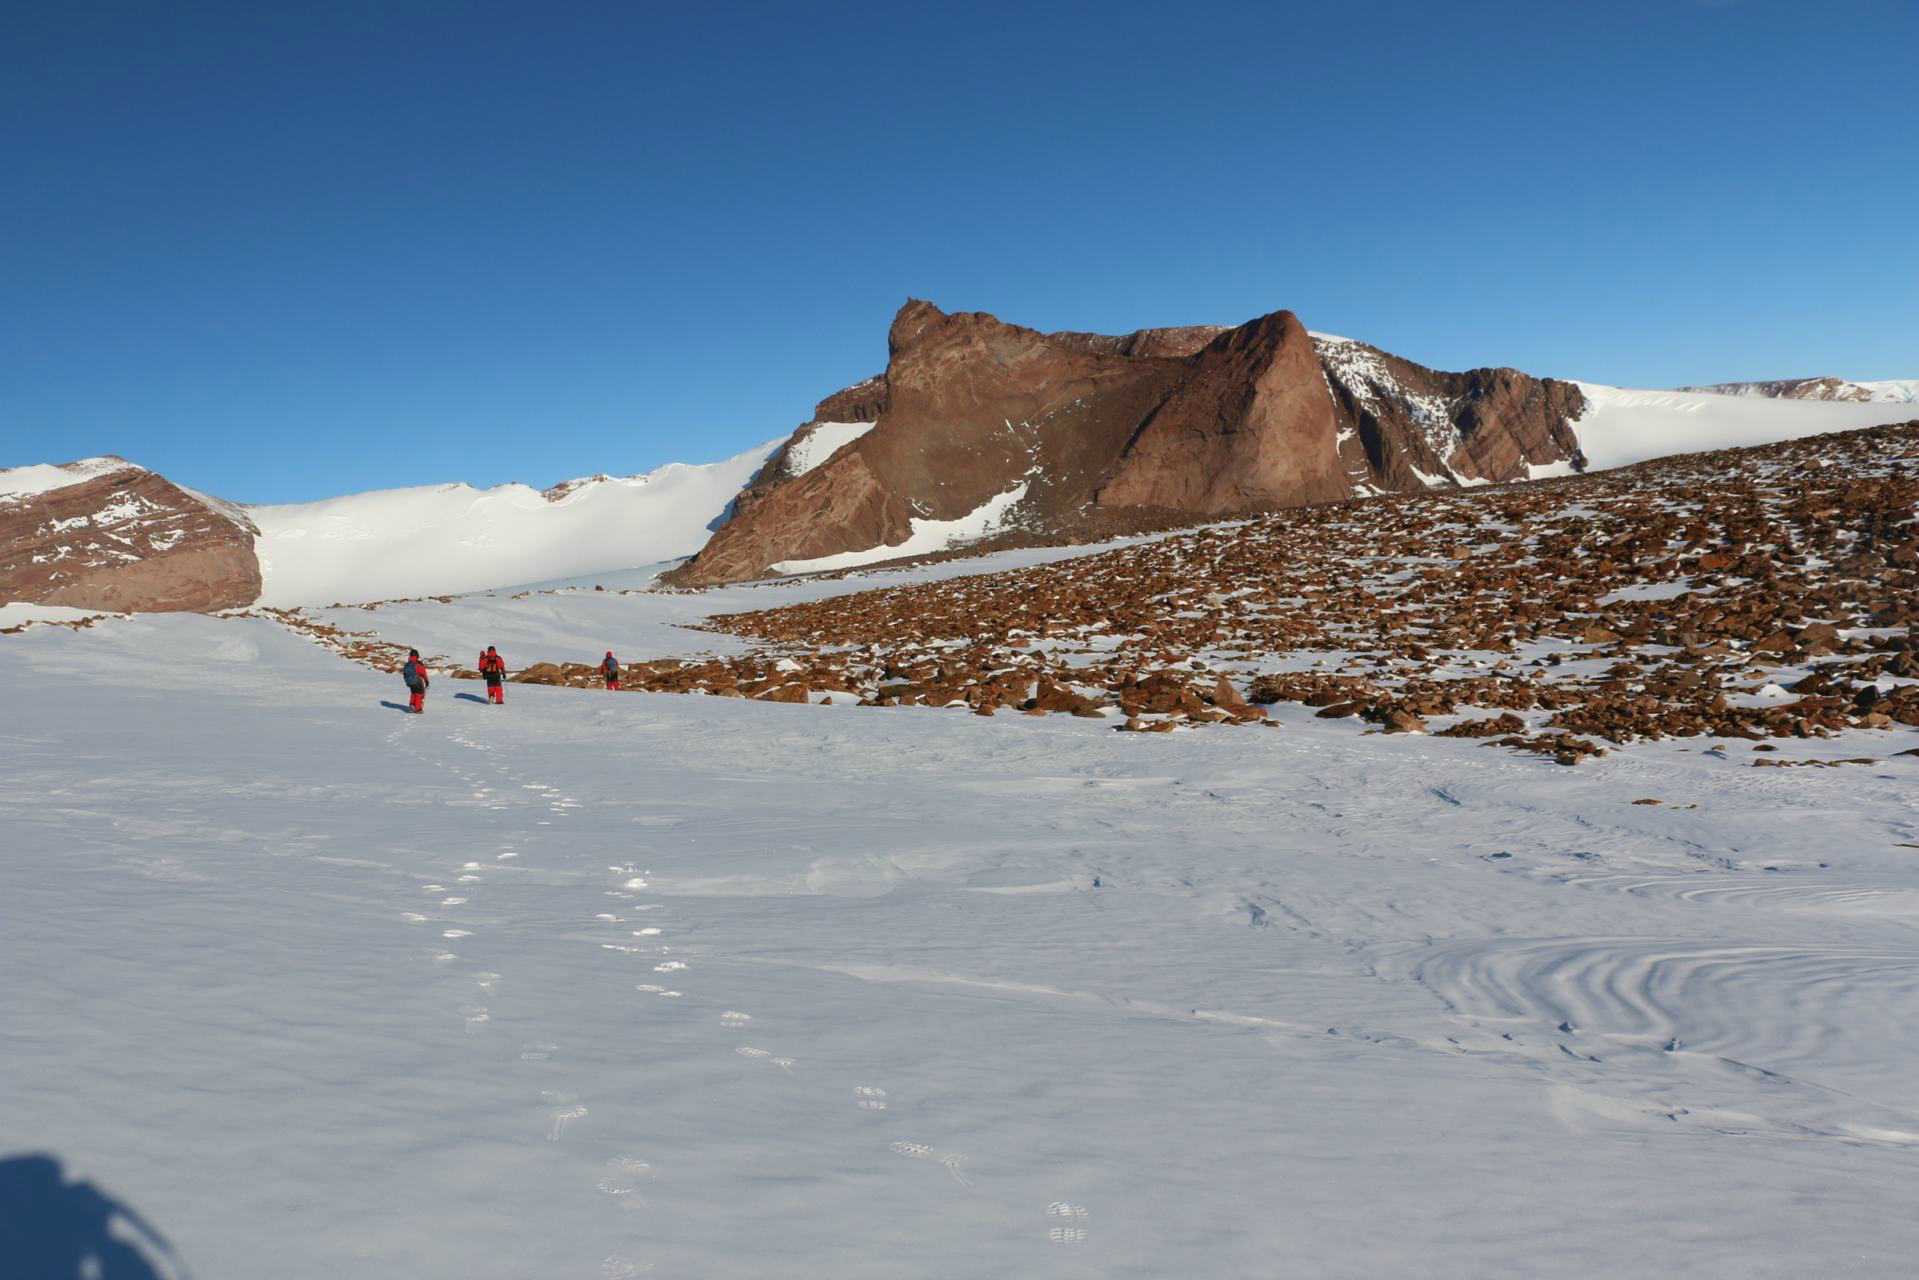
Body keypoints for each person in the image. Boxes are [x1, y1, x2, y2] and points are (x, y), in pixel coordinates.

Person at [402, 649, 430, 714]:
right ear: (417, 655)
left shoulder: (408, 664)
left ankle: (412, 706)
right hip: (417, 681)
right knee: (419, 694)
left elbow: (404, 673)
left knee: (413, 693)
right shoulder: (418, 663)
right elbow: (423, 673)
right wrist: (426, 681)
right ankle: (418, 709)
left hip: (409, 682)